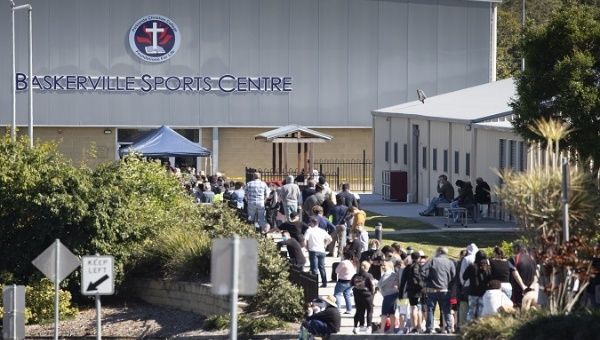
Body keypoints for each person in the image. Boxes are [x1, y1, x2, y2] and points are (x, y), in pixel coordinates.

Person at [421, 247, 456, 334]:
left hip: (432, 289)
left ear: (439, 252)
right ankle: (449, 328)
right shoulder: (450, 262)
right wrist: (449, 285)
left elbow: (422, 270)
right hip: (445, 289)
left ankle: (429, 328)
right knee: (446, 310)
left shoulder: (433, 260)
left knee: (430, 310)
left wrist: (427, 281)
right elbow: (454, 276)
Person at [399, 251, 426, 333]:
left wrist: (401, 294)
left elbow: (403, 282)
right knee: (419, 308)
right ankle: (420, 326)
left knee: (413, 308)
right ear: (419, 258)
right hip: (420, 290)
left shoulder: (407, 268)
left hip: (411, 290)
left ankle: (414, 327)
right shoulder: (420, 267)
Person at [304, 216, 332, 288]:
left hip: (313, 250)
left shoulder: (309, 230)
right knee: (322, 267)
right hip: (322, 250)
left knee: (314, 268)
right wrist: (325, 245)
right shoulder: (322, 231)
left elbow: (305, 241)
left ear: (312, 223)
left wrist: (306, 248)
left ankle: (314, 284)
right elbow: (330, 239)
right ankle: (324, 282)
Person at [462, 250, 491, 321]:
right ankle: (479, 327)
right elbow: (490, 278)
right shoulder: (487, 268)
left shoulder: (472, 266)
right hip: (483, 292)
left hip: (472, 291)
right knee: (481, 311)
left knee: (471, 311)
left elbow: (464, 277)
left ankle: (469, 327)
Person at [509, 242, 538, 309]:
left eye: (513, 248)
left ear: (516, 249)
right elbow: (536, 274)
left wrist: (523, 287)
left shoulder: (513, 259)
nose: (513, 250)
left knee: (519, 309)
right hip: (531, 290)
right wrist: (532, 286)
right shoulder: (532, 259)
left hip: (519, 290)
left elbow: (515, 274)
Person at [351, 261, 375, 334]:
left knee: (359, 311)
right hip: (367, 295)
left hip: (357, 295)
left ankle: (356, 326)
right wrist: (372, 292)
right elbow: (372, 285)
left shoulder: (355, 275)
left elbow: (351, 283)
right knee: (369, 311)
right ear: (367, 267)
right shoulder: (369, 275)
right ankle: (368, 327)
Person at [377, 261, 399, 334]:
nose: (383, 266)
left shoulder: (387, 274)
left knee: (384, 313)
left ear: (389, 266)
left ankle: (382, 329)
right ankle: (392, 329)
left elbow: (379, 284)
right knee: (392, 312)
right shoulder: (395, 274)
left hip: (387, 295)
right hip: (395, 294)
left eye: (384, 265)